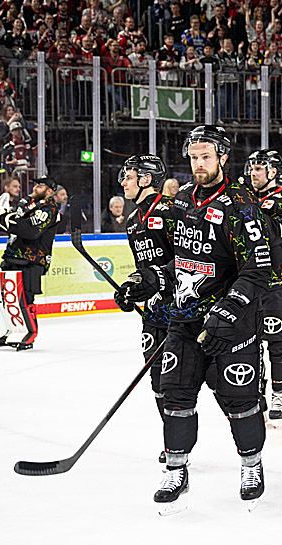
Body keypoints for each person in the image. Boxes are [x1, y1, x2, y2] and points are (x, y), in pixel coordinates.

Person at [119, 125, 273, 513]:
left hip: (230, 328)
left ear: (222, 157)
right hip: (184, 322)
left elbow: (256, 270)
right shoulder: (183, 200)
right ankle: (176, 469)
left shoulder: (241, 205)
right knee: (175, 395)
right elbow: (177, 258)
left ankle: (251, 466)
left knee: (241, 403)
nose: (198, 164)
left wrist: (227, 310)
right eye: (193, 158)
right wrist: (145, 282)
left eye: (206, 157)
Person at [113, 154, 177, 463]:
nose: (123, 181)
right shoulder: (132, 220)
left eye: (129, 175)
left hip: (184, 308)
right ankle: (173, 443)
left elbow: (192, 259)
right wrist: (132, 289)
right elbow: (144, 268)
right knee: (158, 380)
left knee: (205, 380)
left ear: (146, 179)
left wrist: (159, 281)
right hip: (154, 313)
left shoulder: (172, 212)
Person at [244, 149, 282, 422]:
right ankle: (256, 390)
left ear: (272, 172)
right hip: (248, 284)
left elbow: (269, 236)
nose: (252, 173)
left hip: (277, 285)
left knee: (279, 342)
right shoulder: (248, 198)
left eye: (259, 168)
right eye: (251, 168)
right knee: (249, 343)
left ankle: (281, 394)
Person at [0, 176, 61, 351]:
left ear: (49, 192)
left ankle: (28, 332)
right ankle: (5, 329)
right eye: (36, 184)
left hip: (32, 260)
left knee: (24, 299)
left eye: (40, 186)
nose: (35, 187)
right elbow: (15, 224)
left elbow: (30, 230)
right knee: (1, 296)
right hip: (11, 255)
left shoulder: (49, 208)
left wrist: (3, 218)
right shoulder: (26, 204)